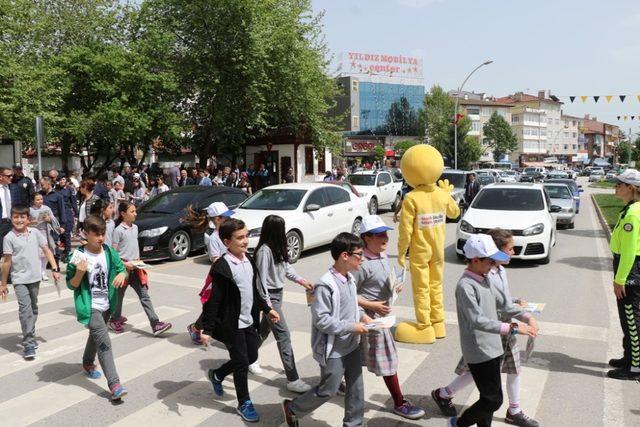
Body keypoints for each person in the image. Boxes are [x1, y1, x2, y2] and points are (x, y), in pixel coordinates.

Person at [432, 229, 540, 427]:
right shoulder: (466, 286)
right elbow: (477, 321)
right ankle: (458, 424)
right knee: (493, 400)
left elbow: (506, 305)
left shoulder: (486, 277)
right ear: (474, 260)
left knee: (487, 399)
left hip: (494, 347)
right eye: (490, 261)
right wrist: (514, 328)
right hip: (478, 350)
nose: (493, 265)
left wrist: (527, 317)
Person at [282, 232, 372, 427]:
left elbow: (350, 306)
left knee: (356, 386)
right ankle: (293, 408)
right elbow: (322, 320)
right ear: (344, 256)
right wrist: (352, 326)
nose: (362, 259)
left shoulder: (349, 279)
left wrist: (362, 316)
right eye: (359, 255)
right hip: (333, 349)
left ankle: (353, 423)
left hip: (351, 345)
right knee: (328, 389)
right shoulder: (325, 285)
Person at [199, 218, 281, 423]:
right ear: (227, 242)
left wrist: (267, 308)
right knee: (242, 363)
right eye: (240, 238)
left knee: (251, 356)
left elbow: (253, 290)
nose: (245, 241)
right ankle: (244, 402)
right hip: (231, 323)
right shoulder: (222, 266)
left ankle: (217, 375)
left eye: (246, 236)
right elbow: (213, 300)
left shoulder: (248, 259)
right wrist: (207, 329)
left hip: (248, 320)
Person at [353, 215, 425, 420]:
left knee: (353, 357)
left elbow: (381, 283)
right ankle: (399, 403)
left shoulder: (383, 256)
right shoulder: (361, 263)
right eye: (379, 235)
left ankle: (336, 382)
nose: (385, 237)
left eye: (386, 233)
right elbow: (347, 294)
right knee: (388, 362)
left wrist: (395, 287)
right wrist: (371, 305)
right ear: (366, 237)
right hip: (369, 320)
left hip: (380, 316)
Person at [66, 214, 128, 400]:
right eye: (96, 234)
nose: (101, 238)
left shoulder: (109, 252)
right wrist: (79, 272)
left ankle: (87, 363)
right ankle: (114, 384)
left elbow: (122, 269)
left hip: (107, 304)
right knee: (104, 342)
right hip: (90, 306)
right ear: (86, 234)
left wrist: (122, 275)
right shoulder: (78, 256)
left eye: (103, 233)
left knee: (96, 335)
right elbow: (72, 285)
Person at [251, 215, 314, 390]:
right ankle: (293, 380)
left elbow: (286, 268)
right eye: (282, 228)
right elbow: (260, 281)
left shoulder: (277, 247)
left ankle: (248, 358)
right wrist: (268, 306)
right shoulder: (264, 251)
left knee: (264, 330)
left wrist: (302, 281)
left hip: (278, 294)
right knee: (284, 336)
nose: (284, 232)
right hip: (269, 297)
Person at [1, 204, 60, 359]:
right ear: (11, 218)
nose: (19, 220)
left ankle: (30, 334)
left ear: (28, 219)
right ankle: (28, 344)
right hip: (19, 279)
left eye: (22, 217)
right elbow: (6, 262)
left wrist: (54, 268)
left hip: (35, 278)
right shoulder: (9, 238)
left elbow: (47, 250)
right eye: (16, 217)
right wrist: (3, 284)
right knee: (25, 310)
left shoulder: (35, 233)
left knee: (33, 308)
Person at [108, 201, 172, 336]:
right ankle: (114, 319)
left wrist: (137, 261)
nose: (135, 214)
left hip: (136, 268)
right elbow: (113, 254)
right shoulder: (118, 230)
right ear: (123, 214)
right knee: (119, 297)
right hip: (123, 270)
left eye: (135, 211)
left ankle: (155, 324)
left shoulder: (135, 228)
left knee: (144, 296)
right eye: (132, 211)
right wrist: (125, 265)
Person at [608, 169, 640, 380]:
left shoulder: (633, 214)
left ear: (631, 188)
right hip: (629, 267)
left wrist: (620, 280)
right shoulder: (631, 209)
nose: (615, 187)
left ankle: (635, 368)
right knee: (627, 317)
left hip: (630, 269)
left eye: (619, 184)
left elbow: (629, 251)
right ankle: (629, 357)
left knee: (631, 318)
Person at [30, 193, 63, 281]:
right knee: (36, 254)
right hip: (34, 233)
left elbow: (53, 219)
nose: (40, 201)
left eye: (41, 199)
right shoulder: (30, 210)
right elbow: (27, 221)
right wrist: (32, 221)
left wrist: (49, 219)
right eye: (37, 200)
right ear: (33, 201)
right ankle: (38, 272)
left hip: (45, 232)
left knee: (45, 254)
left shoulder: (47, 208)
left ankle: (43, 272)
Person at [0, 167, 18, 265]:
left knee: (10, 250)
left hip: (11, 222)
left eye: (12, 175)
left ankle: (9, 275)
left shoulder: (13, 188)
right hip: (1, 223)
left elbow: (18, 205)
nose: (11, 177)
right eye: (8, 176)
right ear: (0, 177)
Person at [57, 176, 78, 258]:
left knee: (66, 233)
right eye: (60, 179)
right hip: (58, 213)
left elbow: (74, 203)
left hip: (67, 212)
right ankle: (60, 250)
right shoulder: (56, 189)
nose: (61, 181)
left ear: (66, 180)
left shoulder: (70, 190)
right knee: (59, 233)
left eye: (63, 179)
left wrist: (76, 214)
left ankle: (67, 251)